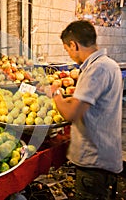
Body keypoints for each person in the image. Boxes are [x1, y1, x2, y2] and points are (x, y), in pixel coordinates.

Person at [50, 20, 123, 199]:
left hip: (94, 164)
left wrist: (55, 94)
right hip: (105, 156)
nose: (69, 55)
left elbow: (71, 113)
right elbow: (94, 108)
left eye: (67, 50)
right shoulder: (110, 65)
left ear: (73, 45)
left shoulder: (96, 69)